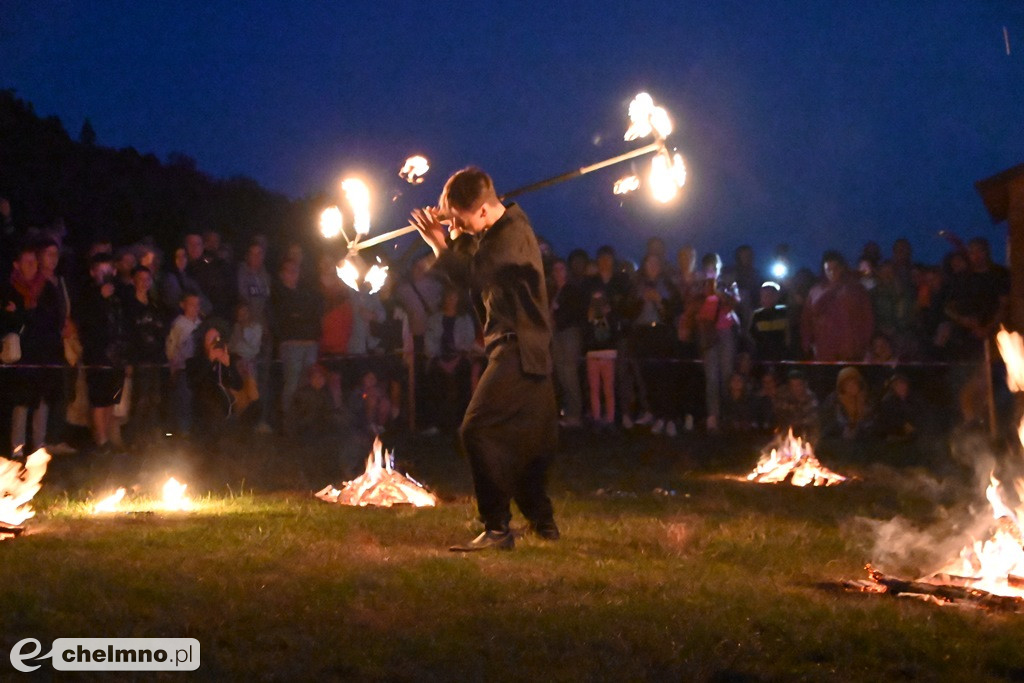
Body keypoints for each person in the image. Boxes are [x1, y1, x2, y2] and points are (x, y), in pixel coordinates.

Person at [410, 167, 558, 551]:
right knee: (527, 443)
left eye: (461, 218)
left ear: (481, 212)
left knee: (476, 430)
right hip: (522, 348)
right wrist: (454, 231)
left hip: (519, 348)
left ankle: (496, 528)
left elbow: (475, 274)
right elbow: (474, 259)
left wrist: (441, 246)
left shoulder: (511, 236)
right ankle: (544, 524)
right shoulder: (497, 231)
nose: (459, 226)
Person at [2, 242, 63, 456]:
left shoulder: (46, 288)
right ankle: (17, 447)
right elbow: (7, 319)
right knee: (21, 401)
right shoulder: (9, 288)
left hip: (42, 350)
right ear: (16, 264)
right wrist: (22, 316)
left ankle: (38, 446)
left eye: (34, 262)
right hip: (20, 355)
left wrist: (21, 314)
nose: (32, 266)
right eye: (27, 262)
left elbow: (51, 319)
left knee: (41, 400)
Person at [75, 253, 127, 452]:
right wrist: (100, 298)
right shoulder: (88, 294)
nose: (105, 274)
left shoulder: (117, 293)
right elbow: (86, 323)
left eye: (108, 270)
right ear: (93, 271)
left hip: (116, 355)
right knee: (98, 399)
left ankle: (107, 438)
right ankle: (101, 440)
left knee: (110, 400)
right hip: (96, 354)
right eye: (101, 270)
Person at [549, 258, 586, 428]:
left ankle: (575, 414)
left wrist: (557, 319)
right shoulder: (553, 291)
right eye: (555, 269)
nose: (558, 272)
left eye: (561, 269)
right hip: (556, 334)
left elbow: (574, 312)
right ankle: (566, 410)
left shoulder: (572, 290)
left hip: (569, 333)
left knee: (569, 372)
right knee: (561, 373)